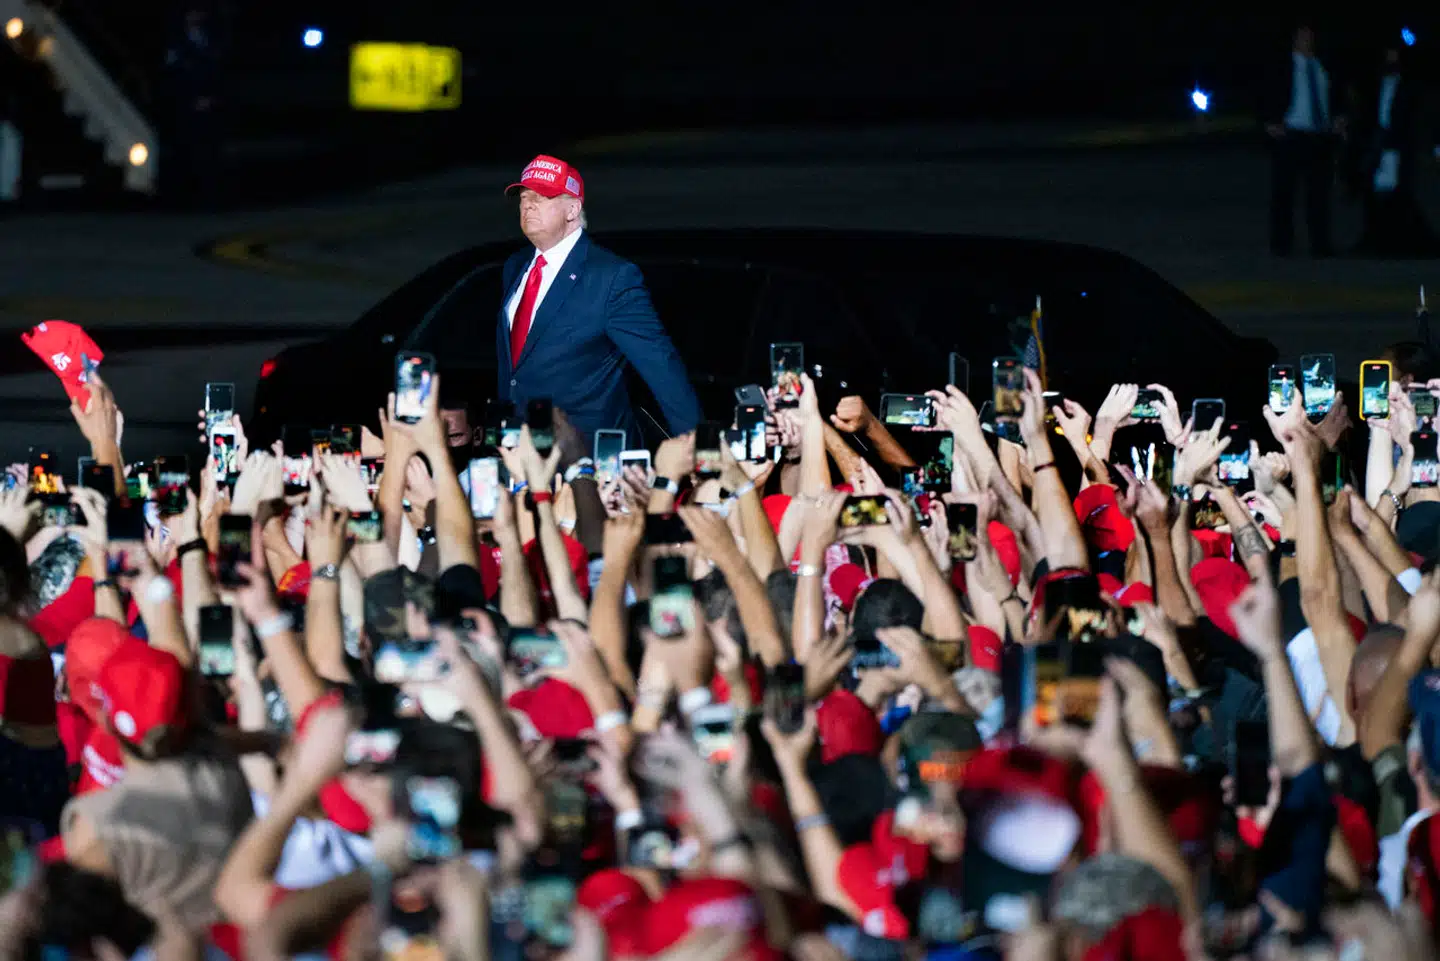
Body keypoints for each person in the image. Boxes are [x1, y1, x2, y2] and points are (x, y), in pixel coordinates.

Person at [495, 155, 700, 447]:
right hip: (521, 453)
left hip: (586, 459)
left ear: (572, 209)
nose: (528, 204)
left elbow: (661, 365)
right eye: (524, 197)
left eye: (542, 197)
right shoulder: (515, 267)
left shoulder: (612, 277)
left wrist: (704, 454)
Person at [1263, 24, 1344, 258]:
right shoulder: (1282, 66)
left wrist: (1339, 118)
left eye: (1311, 36)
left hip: (1319, 135)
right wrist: (1269, 121)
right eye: (1303, 37)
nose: (1308, 41)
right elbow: (1265, 92)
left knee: (1318, 193)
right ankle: (1281, 244)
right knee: (1284, 192)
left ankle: (1320, 243)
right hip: (1291, 133)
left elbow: (1335, 95)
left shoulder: (1322, 66)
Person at [1353, 42, 1440, 257]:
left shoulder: (1410, 89)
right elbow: (1366, 115)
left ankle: (1397, 242)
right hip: (1376, 145)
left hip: (1397, 148)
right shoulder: (1374, 87)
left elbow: (1419, 120)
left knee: (1397, 195)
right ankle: (1375, 240)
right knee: (1373, 195)